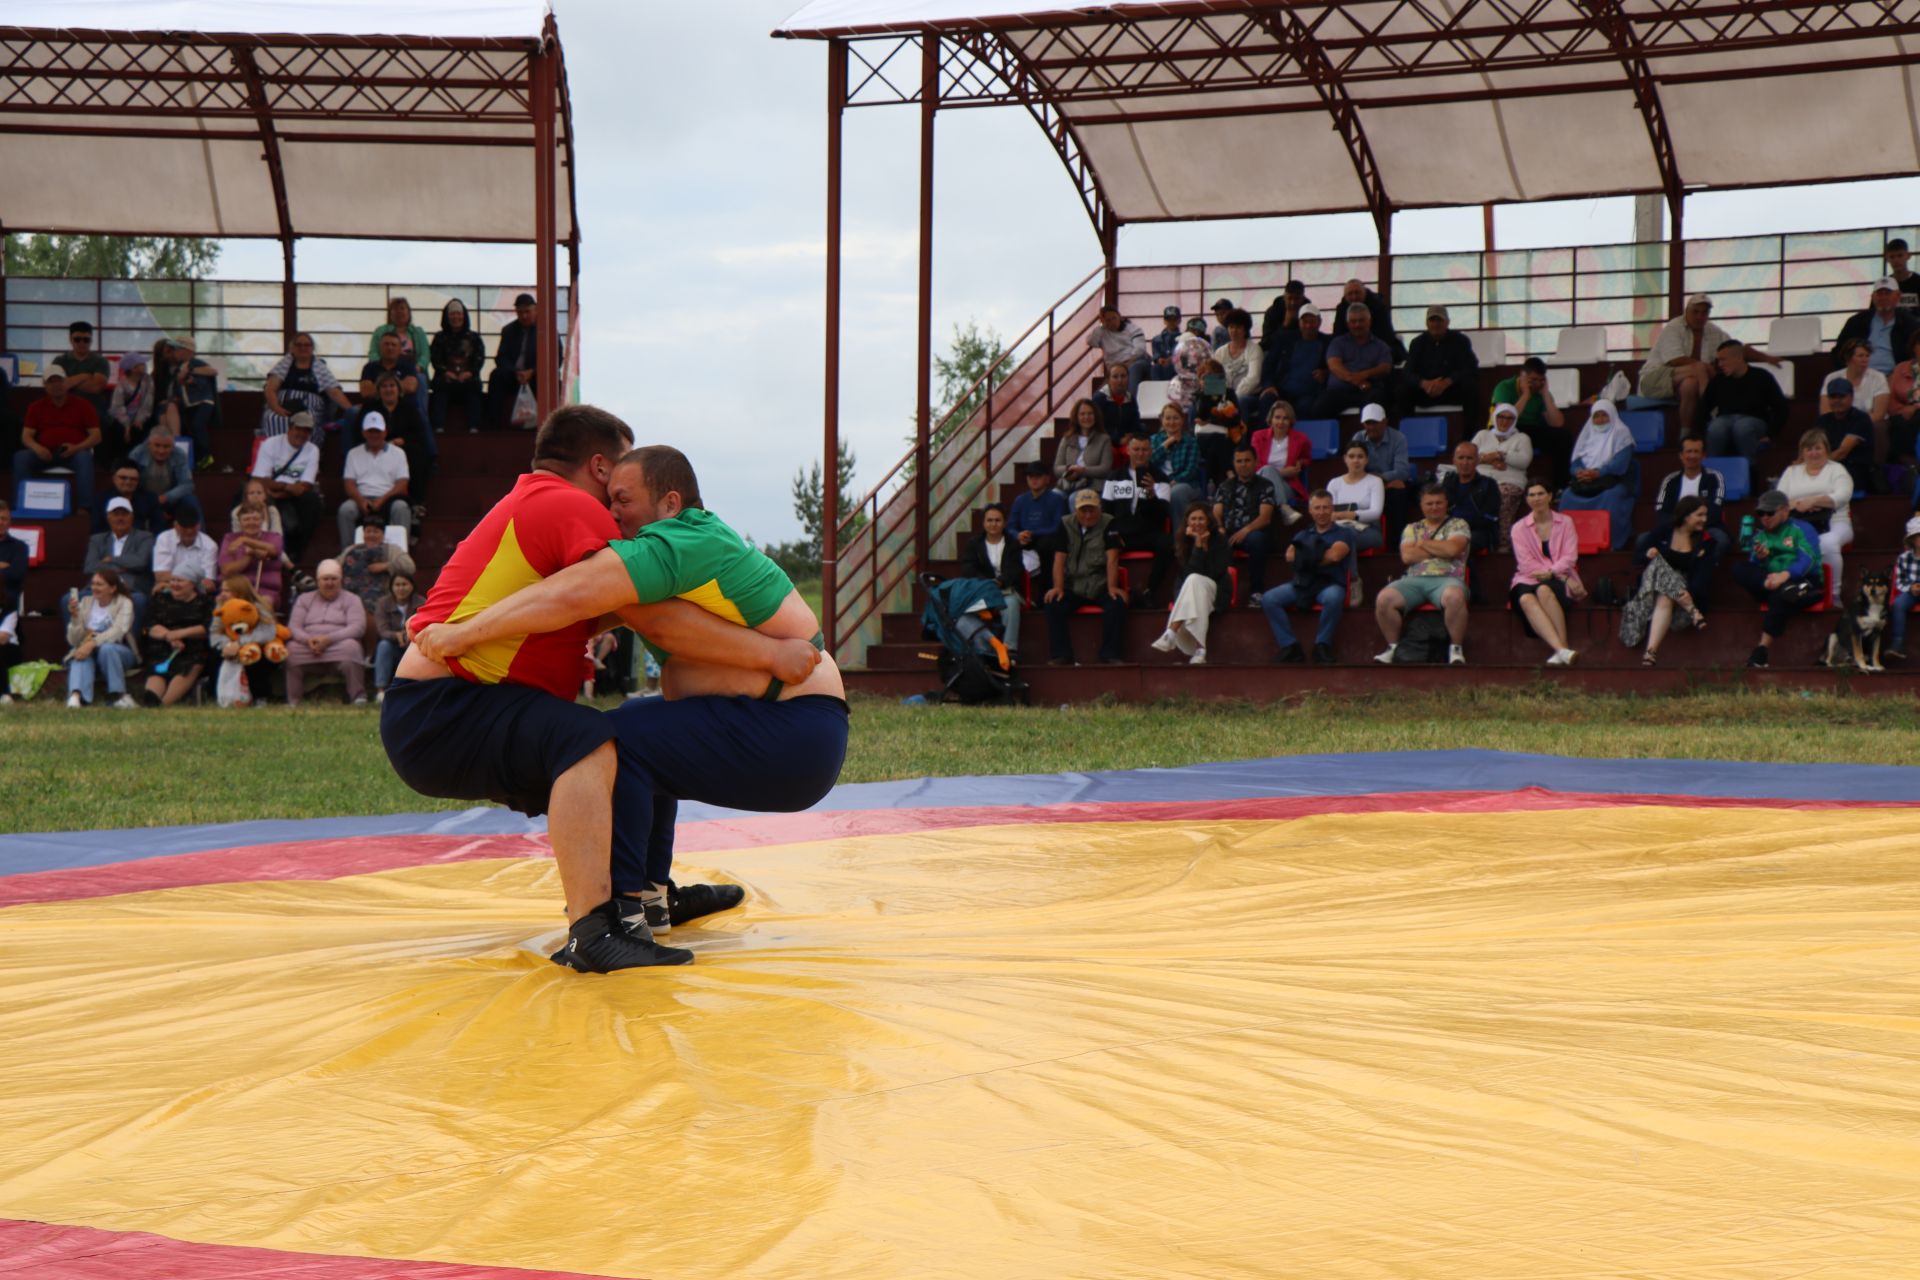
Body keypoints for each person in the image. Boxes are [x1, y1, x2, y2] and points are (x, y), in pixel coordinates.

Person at [382, 409, 816, 972]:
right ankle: (595, 929)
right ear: (599, 466)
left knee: (641, 737)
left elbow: (601, 605)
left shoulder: (534, 500)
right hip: (445, 707)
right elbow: (646, 611)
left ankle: (648, 896)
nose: (617, 512)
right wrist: (771, 653)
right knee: (588, 740)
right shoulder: (568, 503)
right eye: (619, 490)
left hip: (443, 705)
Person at [1374, 484, 1469, 666]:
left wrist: (1423, 544)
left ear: (1446, 504)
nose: (1434, 507)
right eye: (1429, 503)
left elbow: (1453, 549)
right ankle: (1393, 647)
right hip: (1413, 579)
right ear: (1422, 506)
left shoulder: (1459, 524)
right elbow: (1408, 556)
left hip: (1448, 579)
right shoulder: (1412, 527)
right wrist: (1440, 547)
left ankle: (1456, 648)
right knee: (1384, 599)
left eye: (1438, 503)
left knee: (1455, 598)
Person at [1259, 489, 1355, 664]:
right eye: (1317, 508)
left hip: (1329, 583)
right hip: (1302, 583)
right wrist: (1320, 555)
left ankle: (1322, 646)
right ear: (1310, 511)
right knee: (1269, 598)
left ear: (1332, 508)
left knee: (1334, 597)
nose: (1321, 512)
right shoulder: (1302, 534)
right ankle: (1290, 646)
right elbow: (1289, 556)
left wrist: (1305, 558)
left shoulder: (1344, 533)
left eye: (1326, 507)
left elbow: (1335, 556)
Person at [1734, 489, 1823, 668]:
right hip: (1770, 583)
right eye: (1761, 513)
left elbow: (1809, 559)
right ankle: (1771, 585)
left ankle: (1761, 651)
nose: (1765, 517)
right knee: (1739, 568)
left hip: (1804, 583)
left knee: (1783, 594)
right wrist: (1762, 560)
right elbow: (1754, 568)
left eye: (1770, 512)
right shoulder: (1760, 536)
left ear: (1785, 510)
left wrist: (1785, 575)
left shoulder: (1802, 529)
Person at [1639, 294, 1752, 430]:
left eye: (1704, 313)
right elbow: (1674, 359)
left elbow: (1734, 348)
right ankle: (1712, 414)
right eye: (1695, 312)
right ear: (1686, 311)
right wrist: (1708, 369)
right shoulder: (1674, 327)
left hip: (1685, 381)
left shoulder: (1713, 330)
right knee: (1699, 368)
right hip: (1653, 380)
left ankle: (1686, 433)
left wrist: (1767, 358)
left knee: (1690, 384)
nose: (1699, 316)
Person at [1622, 495, 1712, 666]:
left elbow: (1702, 578)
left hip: (1685, 598)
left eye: (1705, 515)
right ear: (1686, 516)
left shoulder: (1706, 541)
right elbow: (1638, 559)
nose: (1704, 520)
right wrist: (1649, 554)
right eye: (1700, 515)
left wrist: (1688, 594)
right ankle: (1651, 652)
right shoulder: (1664, 531)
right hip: (1653, 591)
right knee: (1657, 563)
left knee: (1666, 595)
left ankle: (1651, 653)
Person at [1638, 435, 1729, 599]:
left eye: (1696, 451)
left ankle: (1699, 580)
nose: (1692, 456)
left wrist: (1693, 526)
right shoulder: (1670, 480)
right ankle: (1652, 585)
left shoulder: (1715, 477)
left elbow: (1715, 509)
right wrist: (1680, 528)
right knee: (1643, 540)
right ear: (1681, 455)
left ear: (1704, 455)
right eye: (1688, 451)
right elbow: (1661, 511)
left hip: (1704, 528)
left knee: (1720, 539)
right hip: (1674, 530)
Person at [1508, 481, 1587, 666]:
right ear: (1527, 499)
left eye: (1541, 493)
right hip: (1527, 578)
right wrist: (1563, 578)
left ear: (1550, 496)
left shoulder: (1565, 522)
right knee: (1525, 598)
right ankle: (1562, 650)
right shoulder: (1519, 528)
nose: (1537, 499)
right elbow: (1527, 565)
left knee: (1544, 590)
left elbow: (1569, 557)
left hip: (1559, 575)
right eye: (1532, 495)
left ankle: (1561, 649)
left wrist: (1557, 575)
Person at [1044, 489, 1126, 665]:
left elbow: (1112, 558)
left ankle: (1110, 654)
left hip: (1100, 583)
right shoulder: (1065, 524)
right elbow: (1059, 559)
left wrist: (1112, 586)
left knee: (1116, 603)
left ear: (1099, 508)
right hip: (1073, 584)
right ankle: (1062, 654)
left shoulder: (1109, 523)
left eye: (1092, 510)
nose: (1088, 515)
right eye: (1083, 510)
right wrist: (1058, 587)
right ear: (1076, 510)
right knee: (1053, 604)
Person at [1777, 428, 1854, 597]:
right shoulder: (1791, 472)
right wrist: (1798, 504)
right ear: (1802, 452)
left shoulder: (1837, 469)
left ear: (1826, 449)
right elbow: (1778, 500)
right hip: (1798, 523)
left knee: (1827, 542)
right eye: (1809, 449)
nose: (1814, 453)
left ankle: (1833, 595)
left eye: (1818, 448)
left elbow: (1842, 496)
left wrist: (1813, 501)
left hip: (1835, 521)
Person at [14, 371, 101, 518]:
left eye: (59, 380)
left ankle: (84, 508)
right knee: (21, 457)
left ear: (66, 382)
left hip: (73, 453)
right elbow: (26, 437)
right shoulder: (36, 407)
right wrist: (38, 448)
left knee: (84, 459)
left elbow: (96, 436)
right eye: (51, 382)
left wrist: (77, 447)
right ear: (45, 385)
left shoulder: (83, 405)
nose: (56, 385)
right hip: (44, 453)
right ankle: (21, 504)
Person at [1151, 506, 1230, 664]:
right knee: (1194, 581)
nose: (1197, 523)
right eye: (1193, 519)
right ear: (1187, 521)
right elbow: (1188, 574)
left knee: (1195, 581)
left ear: (1209, 521)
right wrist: (1197, 545)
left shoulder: (1220, 540)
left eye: (1201, 519)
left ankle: (1171, 632)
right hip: (1193, 591)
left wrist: (1203, 546)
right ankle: (1200, 651)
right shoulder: (1183, 541)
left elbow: (1215, 573)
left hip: (1217, 589)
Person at [285, 559, 369, 706]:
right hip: (308, 646)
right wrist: (308, 640)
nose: (329, 583)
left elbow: (357, 627)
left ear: (341, 580)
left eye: (333, 579)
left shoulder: (352, 599)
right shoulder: (304, 599)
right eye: (325, 579)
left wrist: (329, 639)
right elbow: (294, 627)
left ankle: (358, 697)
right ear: (318, 581)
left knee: (352, 647)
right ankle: (294, 701)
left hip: (338, 645)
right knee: (291, 649)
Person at [1102, 434, 1173, 604]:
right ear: (1128, 451)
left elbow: (1163, 514)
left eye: (1144, 449)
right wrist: (1112, 531)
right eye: (1136, 449)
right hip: (1123, 532)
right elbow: (1106, 511)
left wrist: (1151, 496)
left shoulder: (1160, 478)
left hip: (1149, 531)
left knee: (1167, 543)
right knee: (1106, 540)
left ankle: (1150, 590)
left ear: (1150, 452)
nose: (1140, 453)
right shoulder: (1114, 476)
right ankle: (1116, 591)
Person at [1558, 399, 1635, 550]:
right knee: (1567, 495)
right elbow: (1575, 463)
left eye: (1604, 415)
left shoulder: (1622, 434)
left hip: (1613, 481)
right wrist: (1579, 472)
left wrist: (1598, 473)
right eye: (1596, 416)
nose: (1600, 420)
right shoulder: (1587, 433)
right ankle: (1566, 545)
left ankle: (1611, 544)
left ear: (1612, 415)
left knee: (1612, 497)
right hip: (1586, 481)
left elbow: (1619, 464)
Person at [1700, 338, 1788, 463]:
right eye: (1718, 360)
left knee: (1742, 427)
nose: (1719, 364)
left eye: (1723, 360)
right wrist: (1707, 426)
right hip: (1725, 420)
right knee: (1716, 428)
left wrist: (1770, 434)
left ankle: (1749, 470)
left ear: (1739, 358)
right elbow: (1703, 409)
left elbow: (1781, 408)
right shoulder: (1718, 381)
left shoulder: (1761, 376)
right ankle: (1714, 472)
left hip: (1754, 420)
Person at [252, 411, 325, 560]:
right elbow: (259, 478)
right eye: (299, 429)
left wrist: (280, 492)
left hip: (287, 494)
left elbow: (305, 485)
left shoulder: (312, 450)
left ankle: (296, 552)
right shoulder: (271, 444)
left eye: (307, 431)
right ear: (290, 428)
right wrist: (286, 487)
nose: (302, 434)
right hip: (270, 491)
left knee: (313, 501)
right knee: (253, 494)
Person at [1490, 356, 1570, 487]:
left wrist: (1545, 395)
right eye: (1533, 380)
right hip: (1505, 430)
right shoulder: (1505, 387)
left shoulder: (1541, 391)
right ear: (1522, 376)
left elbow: (1557, 423)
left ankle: (1561, 487)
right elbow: (1505, 420)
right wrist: (1525, 395)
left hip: (1531, 429)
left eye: (1541, 380)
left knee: (1563, 437)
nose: (1537, 384)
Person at [64, 567, 137, 709]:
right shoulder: (85, 602)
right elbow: (73, 640)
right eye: (93, 584)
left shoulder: (124, 603)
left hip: (120, 653)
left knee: (107, 648)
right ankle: (76, 697)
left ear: (113, 588)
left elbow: (119, 631)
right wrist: (74, 618)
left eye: (99, 584)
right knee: (80, 654)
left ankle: (119, 695)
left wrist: (93, 642)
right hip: (89, 651)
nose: (94, 588)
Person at [337, 413, 412, 549]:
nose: (374, 435)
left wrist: (382, 500)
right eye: (370, 431)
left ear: (385, 432)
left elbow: (402, 483)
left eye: (377, 431)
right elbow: (349, 484)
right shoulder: (353, 453)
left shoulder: (398, 453)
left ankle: (401, 554)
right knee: (346, 510)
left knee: (401, 508)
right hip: (361, 497)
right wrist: (361, 500)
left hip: (389, 498)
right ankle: (347, 553)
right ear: (363, 433)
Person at [488, 293, 563, 428]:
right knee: (496, 376)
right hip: (514, 375)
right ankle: (494, 423)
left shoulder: (548, 330)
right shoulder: (508, 330)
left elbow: (557, 360)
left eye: (527, 312)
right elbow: (501, 357)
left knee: (552, 381)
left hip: (537, 376)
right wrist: (516, 372)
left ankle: (551, 426)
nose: (524, 316)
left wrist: (533, 371)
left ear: (535, 310)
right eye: (520, 312)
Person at [1825, 339, 1892, 487]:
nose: (1865, 359)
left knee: (1877, 427)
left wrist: (1857, 425)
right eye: (1860, 356)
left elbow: (1879, 413)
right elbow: (1825, 411)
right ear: (1849, 358)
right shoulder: (1832, 378)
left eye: (1867, 356)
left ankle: (1875, 469)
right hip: (1840, 420)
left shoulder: (1878, 377)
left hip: (1869, 422)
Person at [1212, 442, 1277, 595]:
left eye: (1247, 460)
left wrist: (1246, 530)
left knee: (1257, 540)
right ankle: (1221, 593)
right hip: (1229, 532)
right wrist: (1220, 528)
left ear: (1255, 462)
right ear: (1234, 464)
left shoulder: (1265, 485)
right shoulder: (1225, 486)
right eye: (1239, 461)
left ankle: (1256, 591)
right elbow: (1216, 513)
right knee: (1216, 539)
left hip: (1254, 532)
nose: (1243, 464)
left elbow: (1265, 518)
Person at [1396, 305, 1479, 424]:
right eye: (1432, 320)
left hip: (1450, 390)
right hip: (1425, 391)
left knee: (1471, 388)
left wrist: (1447, 382)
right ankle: (1409, 435)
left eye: (1439, 320)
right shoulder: (1417, 343)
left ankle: (1468, 438)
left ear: (1447, 322)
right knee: (1402, 391)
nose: (1435, 324)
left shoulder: (1460, 341)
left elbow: (1471, 367)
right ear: (1426, 323)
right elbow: (1408, 372)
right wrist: (1423, 383)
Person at [139, 571, 211, 706]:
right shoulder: (160, 598)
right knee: (158, 668)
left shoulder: (205, 601)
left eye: (180, 581)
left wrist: (180, 634)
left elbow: (207, 628)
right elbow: (150, 626)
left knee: (190, 664)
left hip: (192, 647)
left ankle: (165, 704)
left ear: (192, 584)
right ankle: (151, 700)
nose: (175, 584)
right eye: (172, 580)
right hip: (163, 645)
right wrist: (169, 636)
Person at [360, 371, 434, 503]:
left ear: (398, 389)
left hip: (403, 447)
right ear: (378, 390)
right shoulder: (370, 408)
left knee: (417, 454)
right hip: (375, 447)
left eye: (391, 385)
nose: (388, 389)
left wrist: (403, 440)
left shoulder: (409, 408)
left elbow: (419, 433)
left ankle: (416, 502)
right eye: (384, 386)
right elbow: (360, 431)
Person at [261, 334, 353, 437]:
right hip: (284, 405)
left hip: (310, 407)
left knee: (306, 420)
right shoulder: (285, 363)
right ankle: (278, 452)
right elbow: (270, 389)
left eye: (307, 345)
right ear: (292, 348)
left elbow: (334, 392)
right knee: (273, 418)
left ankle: (304, 452)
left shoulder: (320, 367)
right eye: (298, 345)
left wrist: (351, 410)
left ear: (312, 348)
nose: (303, 348)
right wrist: (276, 408)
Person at [1469, 403, 1533, 550]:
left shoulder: (1522, 438)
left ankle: (1503, 544)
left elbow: (1523, 461)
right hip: (1482, 479)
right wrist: (1491, 459)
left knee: (1503, 495)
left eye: (1510, 418)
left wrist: (1500, 455)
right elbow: (1469, 457)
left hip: (1510, 480)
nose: (1505, 421)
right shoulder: (1482, 435)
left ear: (1515, 420)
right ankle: (1474, 541)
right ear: (1494, 417)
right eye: (1501, 417)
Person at [962, 502, 1025, 651]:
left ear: (1004, 523)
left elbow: (1016, 569)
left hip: (1007, 589)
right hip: (981, 591)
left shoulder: (1013, 543)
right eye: (989, 520)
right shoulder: (974, 544)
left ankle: (1009, 650)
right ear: (984, 523)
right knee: (967, 610)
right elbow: (968, 568)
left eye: (997, 520)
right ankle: (980, 649)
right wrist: (987, 583)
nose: (993, 524)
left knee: (1010, 605)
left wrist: (999, 582)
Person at [1315, 302, 1394, 420]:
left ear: (1369, 321)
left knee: (1376, 403)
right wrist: (1358, 381)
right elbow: (1334, 366)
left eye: (1361, 320)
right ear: (1347, 324)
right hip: (1340, 391)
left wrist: (1365, 375)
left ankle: (1367, 438)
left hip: (1368, 391)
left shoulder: (1381, 346)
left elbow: (1386, 367)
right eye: (1353, 321)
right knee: (1319, 407)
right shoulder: (1338, 343)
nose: (1357, 325)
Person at [83, 495, 155, 623]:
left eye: (124, 514)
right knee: (68, 599)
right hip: (99, 588)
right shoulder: (97, 539)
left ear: (132, 517)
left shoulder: (145, 537)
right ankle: (79, 643)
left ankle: (132, 643)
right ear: (108, 517)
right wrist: (119, 568)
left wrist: (111, 559)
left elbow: (139, 562)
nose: (120, 518)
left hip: (130, 588)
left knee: (138, 600)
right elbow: (90, 567)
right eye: (116, 514)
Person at [1350, 403, 1415, 538]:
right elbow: (1354, 469)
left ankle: (1398, 542)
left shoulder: (1398, 438)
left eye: (1375, 423)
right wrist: (1378, 481)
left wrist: (1379, 478)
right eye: (1368, 423)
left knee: (1399, 494)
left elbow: (1402, 472)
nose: (1371, 427)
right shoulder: (1358, 438)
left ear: (1385, 422)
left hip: (1388, 485)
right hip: (1369, 485)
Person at [1832, 277, 1918, 377]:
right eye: (1879, 294)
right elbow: (1838, 352)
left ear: (1898, 296)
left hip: (1895, 378)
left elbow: (1916, 355)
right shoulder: (1856, 321)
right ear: (1873, 297)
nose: (1883, 297)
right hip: (1858, 376)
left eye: (1887, 293)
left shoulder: (1909, 324)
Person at [155, 336, 220, 465]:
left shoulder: (195, 363)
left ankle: (206, 455)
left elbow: (212, 372)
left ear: (187, 351)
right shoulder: (179, 367)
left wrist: (190, 378)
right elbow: (178, 385)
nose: (174, 352)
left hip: (203, 402)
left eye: (177, 349)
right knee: (192, 426)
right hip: (190, 404)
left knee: (198, 426)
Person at [1259, 305, 1329, 421]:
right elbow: (1269, 364)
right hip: (1282, 391)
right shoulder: (1284, 339)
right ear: (1299, 322)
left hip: (1309, 394)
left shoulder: (1327, 342)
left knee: (1306, 406)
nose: (1308, 325)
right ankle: (1263, 438)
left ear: (1319, 322)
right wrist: (1269, 385)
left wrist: (1326, 373)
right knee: (1267, 399)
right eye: (1304, 322)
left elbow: (1335, 365)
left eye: (1312, 321)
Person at [217, 503, 290, 611]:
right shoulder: (230, 538)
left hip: (265, 590)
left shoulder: (274, 537)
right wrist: (250, 555)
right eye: (246, 519)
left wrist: (245, 540)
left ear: (262, 521)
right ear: (240, 522)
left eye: (255, 519)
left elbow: (273, 549)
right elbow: (226, 570)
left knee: (264, 602)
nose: (251, 523)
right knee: (221, 600)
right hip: (236, 589)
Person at [430, 298, 488, 434]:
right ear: (447, 316)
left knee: (474, 387)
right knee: (439, 388)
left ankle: (474, 426)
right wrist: (446, 372)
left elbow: (479, 358)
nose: (456, 317)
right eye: (452, 314)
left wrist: (470, 372)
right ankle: (438, 427)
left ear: (464, 315)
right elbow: (435, 358)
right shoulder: (439, 337)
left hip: (468, 378)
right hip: (446, 378)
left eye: (459, 313)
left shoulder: (474, 337)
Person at [368, 296, 430, 422]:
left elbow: (425, 354)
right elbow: (373, 353)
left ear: (409, 312)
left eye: (402, 309)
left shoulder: (418, 332)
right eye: (395, 309)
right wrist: (384, 367)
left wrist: (419, 366)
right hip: (387, 370)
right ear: (390, 313)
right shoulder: (381, 331)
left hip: (412, 371)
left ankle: (421, 418)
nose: (399, 312)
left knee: (421, 379)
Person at [1326, 442, 1386, 567]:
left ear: (1366, 460)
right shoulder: (1334, 483)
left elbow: (1376, 513)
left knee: (1346, 535)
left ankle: (1352, 579)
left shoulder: (1375, 482)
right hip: (1338, 528)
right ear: (1345, 459)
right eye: (1351, 456)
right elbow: (1328, 511)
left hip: (1369, 530)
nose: (1356, 460)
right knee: (1337, 534)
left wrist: (1349, 515)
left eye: (1360, 456)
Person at [342, 515, 416, 614]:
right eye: (368, 531)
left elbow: (410, 566)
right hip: (350, 598)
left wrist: (386, 566)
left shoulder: (392, 549)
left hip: (381, 599)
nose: (371, 535)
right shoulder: (351, 550)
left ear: (383, 534)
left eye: (376, 531)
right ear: (363, 533)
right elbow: (333, 566)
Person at [1815, 378, 1876, 496]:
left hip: (1853, 471)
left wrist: (1816, 466)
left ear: (1851, 398)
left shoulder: (1861, 419)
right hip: (1826, 467)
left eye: (1842, 396)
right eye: (1833, 397)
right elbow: (1812, 446)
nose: (1837, 401)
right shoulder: (1822, 421)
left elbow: (1842, 452)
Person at [1441, 440, 1502, 558]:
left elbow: (1490, 517)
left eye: (1469, 458)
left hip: (1478, 532)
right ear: (1454, 461)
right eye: (1461, 458)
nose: (1465, 462)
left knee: (1460, 544)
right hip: (1449, 530)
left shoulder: (1489, 484)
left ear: (1477, 460)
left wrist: (1460, 525)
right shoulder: (1448, 483)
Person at [1008, 460, 1068, 581]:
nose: (1034, 480)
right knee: (1009, 544)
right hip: (1025, 539)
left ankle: (1046, 587)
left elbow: (1058, 527)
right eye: (1030, 476)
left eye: (1038, 476)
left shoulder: (1057, 499)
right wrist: (1018, 535)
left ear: (1047, 479)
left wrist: (1032, 533)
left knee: (1048, 544)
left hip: (1046, 540)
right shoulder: (1020, 500)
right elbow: (1010, 526)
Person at [1248, 400, 1310, 518]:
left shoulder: (1300, 439)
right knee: (1268, 469)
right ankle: (1284, 507)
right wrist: (1281, 472)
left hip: (1286, 485)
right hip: (1260, 482)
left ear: (1291, 421)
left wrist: (1300, 463)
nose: (1281, 422)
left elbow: (1307, 458)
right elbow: (1255, 465)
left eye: (1285, 418)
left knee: (1269, 474)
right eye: (1277, 417)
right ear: (1271, 419)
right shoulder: (1258, 436)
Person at [1149, 401, 1205, 529]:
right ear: (1161, 420)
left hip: (1186, 484)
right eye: (1168, 418)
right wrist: (1165, 445)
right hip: (1158, 483)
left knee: (1176, 493)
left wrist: (1174, 481)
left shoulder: (1191, 441)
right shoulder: (1154, 440)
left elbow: (1191, 470)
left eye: (1175, 418)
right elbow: (1150, 463)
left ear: (1182, 420)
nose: (1171, 422)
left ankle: (1179, 539)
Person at [127, 429, 195, 529]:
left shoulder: (179, 454)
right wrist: (153, 501)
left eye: (166, 447)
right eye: (157, 445)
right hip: (143, 499)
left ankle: (198, 538)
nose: (161, 451)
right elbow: (129, 481)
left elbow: (187, 485)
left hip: (170, 499)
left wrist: (166, 497)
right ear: (149, 444)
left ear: (173, 446)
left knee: (191, 500)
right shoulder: (137, 454)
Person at [150, 503, 219, 596]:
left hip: (195, 596)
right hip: (171, 593)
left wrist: (175, 583)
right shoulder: (164, 538)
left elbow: (209, 584)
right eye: (185, 526)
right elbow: (161, 576)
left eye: (192, 526)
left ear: (199, 525)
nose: (189, 530)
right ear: (175, 525)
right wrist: (192, 582)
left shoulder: (210, 545)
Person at [52, 320, 113, 422]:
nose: (82, 343)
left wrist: (68, 381)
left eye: (86, 339)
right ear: (70, 340)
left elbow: (96, 388)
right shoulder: (60, 360)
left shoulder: (100, 361)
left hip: (93, 407)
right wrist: (84, 376)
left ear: (91, 340)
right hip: (65, 406)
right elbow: (56, 387)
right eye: (77, 339)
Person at [373, 570, 419, 698]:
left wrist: (408, 635)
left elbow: (424, 626)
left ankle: (416, 689)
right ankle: (380, 690)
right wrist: (396, 636)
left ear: (412, 586)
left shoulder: (421, 602)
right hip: (392, 645)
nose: (401, 588)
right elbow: (382, 630)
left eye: (404, 584)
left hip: (413, 644)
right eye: (397, 585)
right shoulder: (383, 603)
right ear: (391, 587)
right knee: (383, 646)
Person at [1084, 304, 1151, 392]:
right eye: (1108, 320)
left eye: (1114, 318)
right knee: (1100, 395)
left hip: (1135, 361)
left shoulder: (1133, 329)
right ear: (1103, 321)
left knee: (1133, 370)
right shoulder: (1102, 332)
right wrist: (1101, 327)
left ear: (1119, 316)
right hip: (1114, 368)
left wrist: (1126, 364)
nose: (1112, 322)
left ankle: (1131, 399)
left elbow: (1140, 349)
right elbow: (1091, 341)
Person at [1213, 309, 1262, 426]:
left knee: (1241, 402)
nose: (1234, 331)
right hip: (1224, 397)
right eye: (1231, 327)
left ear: (1245, 329)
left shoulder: (1254, 349)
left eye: (1238, 327)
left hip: (1249, 396)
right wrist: (1221, 399)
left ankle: (1240, 440)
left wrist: (1232, 399)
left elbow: (1253, 379)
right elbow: (1214, 379)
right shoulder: (1220, 352)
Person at [1330, 278, 1401, 360]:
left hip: (1376, 345)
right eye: (1350, 294)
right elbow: (1338, 334)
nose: (1354, 297)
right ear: (1345, 296)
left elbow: (1385, 334)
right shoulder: (1341, 308)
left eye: (1357, 292)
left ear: (1365, 292)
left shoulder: (1378, 306)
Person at [1053, 399, 1115, 490]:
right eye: (1082, 414)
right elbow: (1057, 468)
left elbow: (1105, 469)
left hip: (1093, 485)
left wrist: (1083, 471)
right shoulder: (1067, 439)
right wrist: (1069, 468)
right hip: (1067, 484)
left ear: (1095, 416)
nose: (1086, 417)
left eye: (1090, 414)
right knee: (1055, 496)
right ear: (1076, 417)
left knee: (1074, 498)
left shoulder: (1104, 439)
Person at [106, 349, 157, 455]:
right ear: (133, 368)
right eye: (141, 364)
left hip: (140, 417)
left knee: (141, 431)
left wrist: (139, 419)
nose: (145, 365)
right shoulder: (122, 384)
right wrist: (126, 425)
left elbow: (148, 403)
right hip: (122, 419)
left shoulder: (147, 380)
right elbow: (117, 407)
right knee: (120, 433)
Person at [92, 462, 161, 535]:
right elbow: (97, 529)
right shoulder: (100, 499)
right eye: (123, 478)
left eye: (133, 479)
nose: (128, 482)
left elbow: (158, 527)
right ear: (114, 478)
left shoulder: (150, 499)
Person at [1888, 515, 1920, 661]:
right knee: (1899, 604)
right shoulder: (1904, 558)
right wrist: (1910, 588)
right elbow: (1899, 581)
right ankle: (1898, 643)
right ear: (1912, 540)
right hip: (1912, 590)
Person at [1886, 329, 1920, 466]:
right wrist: (1903, 410)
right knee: (1898, 423)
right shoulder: (1901, 368)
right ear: (1913, 346)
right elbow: (1890, 397)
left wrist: (1915, 407)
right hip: (1901, 414)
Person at [1092, 362, 1141, 443]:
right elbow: (1097, 428)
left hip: (1127, 441)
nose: (1120, 380)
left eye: (1123, 376)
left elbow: (1135, 424)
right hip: (1105, 442)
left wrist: (1132, 436)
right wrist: (1118, 440)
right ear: (1108, 380)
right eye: (1115, 377)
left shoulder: (1131, 399)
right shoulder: (1099, 399)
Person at [0, 499, 27, 615]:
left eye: (4, 519)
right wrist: (2, 565)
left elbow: (16, 574)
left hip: (6, 602)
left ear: (9, 522)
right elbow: (8, 572)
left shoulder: (19, 547)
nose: (0, 522)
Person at [1148, 305, 1183, 381]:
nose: (1171, 322)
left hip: (1177, 366)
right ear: (1164, 320)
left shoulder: (1183, 338)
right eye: (1168, 319)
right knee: (1155, 368)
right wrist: (1159, 359)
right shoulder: (1156, 339)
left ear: (1179, 320)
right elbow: (1156, 354)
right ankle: (1157, 388)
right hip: (1161, 366)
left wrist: (1172, 359)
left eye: (1174, 319)